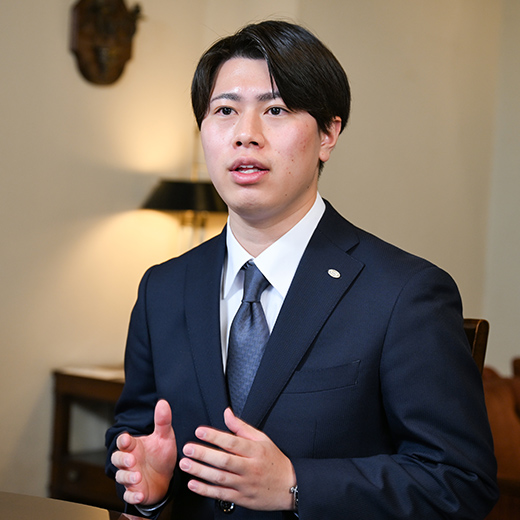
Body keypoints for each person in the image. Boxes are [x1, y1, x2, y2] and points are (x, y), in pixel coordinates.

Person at [105, 20, 498, 520]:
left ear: (328, 134)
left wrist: (296, 484)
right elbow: (135, 434)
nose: (245, 135)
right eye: (225, 111)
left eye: (276, 110)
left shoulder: (405, 293)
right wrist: (150, 486)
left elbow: (460, 482)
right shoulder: (163, 288)